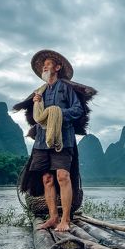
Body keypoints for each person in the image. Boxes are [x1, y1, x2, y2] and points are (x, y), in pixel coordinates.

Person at [28, 51, 83, 231]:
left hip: (63, 138)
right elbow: (38, 117)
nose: (45, 67)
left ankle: (65, 220)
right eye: (43, 65)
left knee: (62, 176)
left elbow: (78, 110)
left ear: (57, 67)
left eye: (48, 64)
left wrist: (58, 113)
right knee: (47, 179)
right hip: (42, 140)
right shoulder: (40, 91)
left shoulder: (66, 88)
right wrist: (37, 103)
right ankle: (53, 217)